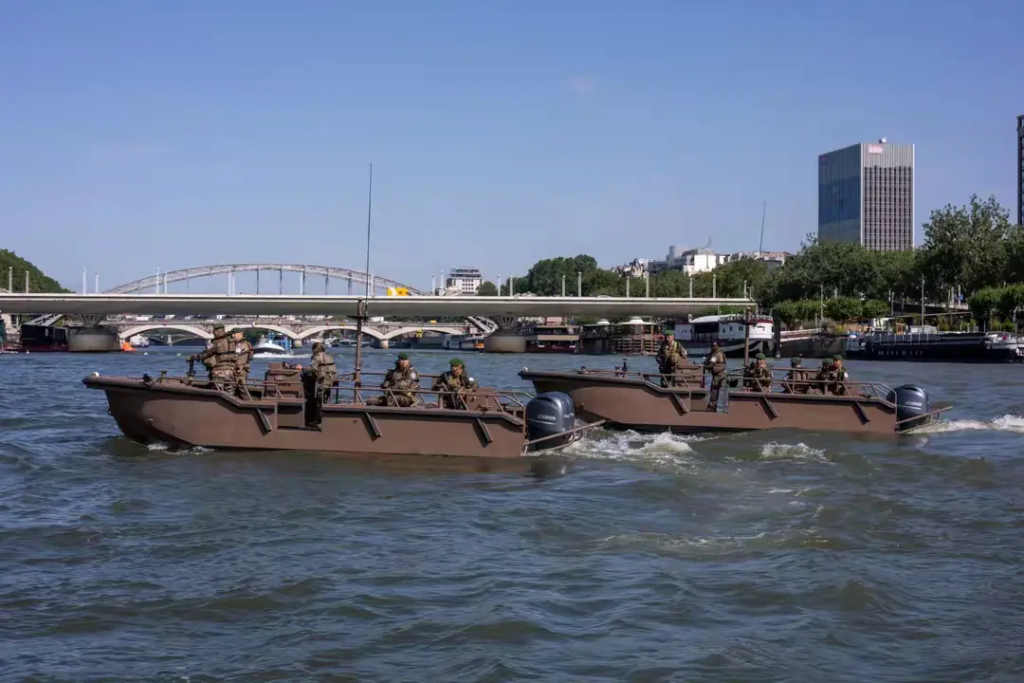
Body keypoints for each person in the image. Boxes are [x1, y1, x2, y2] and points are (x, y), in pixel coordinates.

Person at [190, 324, 235, 390]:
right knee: (229, 389)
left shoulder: (216, 342)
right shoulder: (232, 341)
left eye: (214, 331)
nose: (214, 333)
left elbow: (207, 352)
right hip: (230, 370)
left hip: (219, 370)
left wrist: (198, 357)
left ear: (218, 331)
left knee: (217, 390)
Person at [703, 340, 727, 411]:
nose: (711, 348)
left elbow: (711, 364)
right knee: (717, 390)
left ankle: (712, 406)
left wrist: (704, 366)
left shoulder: (716, 355)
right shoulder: (719, 352)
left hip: (718, 375)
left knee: (714, 390)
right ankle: (715, 405)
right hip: (721, 374)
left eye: (712, 346)